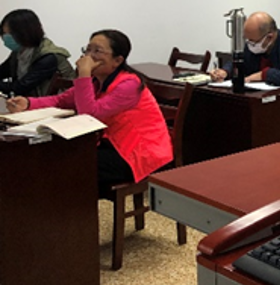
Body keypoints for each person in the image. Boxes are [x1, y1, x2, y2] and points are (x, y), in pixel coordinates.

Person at [5, 29, 174, 195]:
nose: (89, 57)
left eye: (97, 51)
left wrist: (84, 74)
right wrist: (28, 103)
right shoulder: (95, 81)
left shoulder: (129, 85)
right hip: (110, 144)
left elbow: (89, 116)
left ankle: (72, 210)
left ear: (117, 60)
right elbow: (61, 100)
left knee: (69, 166)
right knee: (54, 157)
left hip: (138, 152)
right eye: (87, 50)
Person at [210, 11, 280, 138]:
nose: (249, 45)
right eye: (247, 40)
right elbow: (239, 60)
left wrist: (264, 74)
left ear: (269, 37)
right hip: (264, 107)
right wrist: (225, 71)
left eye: (252, 42)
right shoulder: (253, 43)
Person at [1, 9, 75, 97]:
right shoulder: (19, 52)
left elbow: (22, 87)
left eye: (9, 34)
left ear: (24, 32)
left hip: (61, 103)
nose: (4, 37)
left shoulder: (48, 56)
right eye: (3, 33)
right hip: (32, 101)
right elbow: (2, 71)